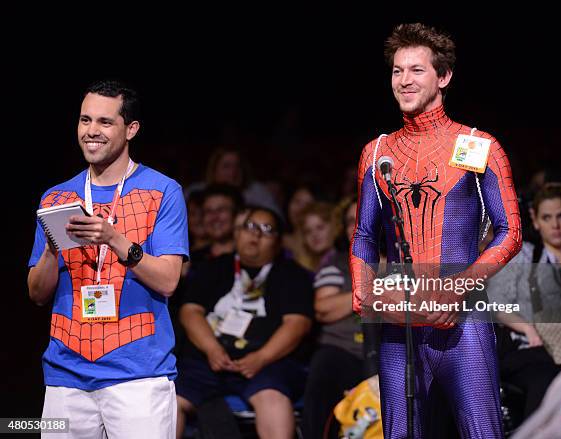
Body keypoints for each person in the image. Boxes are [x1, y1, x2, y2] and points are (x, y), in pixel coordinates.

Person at [349, 23, 522, 438]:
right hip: (399, 325)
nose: (404, 80)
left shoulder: (478, 145)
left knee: (483, 432)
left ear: (443, 77)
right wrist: (362, 288)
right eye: (397, 71)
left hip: (464, 323)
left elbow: (511, 231)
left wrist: (456, 289)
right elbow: (365, 236)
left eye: (417, 70)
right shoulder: (376, 152)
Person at [27, 80, 189, 438]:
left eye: (104, 122)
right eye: (85, 121)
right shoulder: (57, 197)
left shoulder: (164, 191)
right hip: (65, 376)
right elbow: (37, 293)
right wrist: (55, 247)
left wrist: (114, 239)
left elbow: (168, 281)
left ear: (131, 129)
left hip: (139, 376)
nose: (91, 132)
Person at [175, 206, 314, 439]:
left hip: (268, 361)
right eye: (250, 227)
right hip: (208, 358)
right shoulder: (214, 267)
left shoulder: (292, 274)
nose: (256, 235)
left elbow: (297, 324)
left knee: (273, 397)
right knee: (169, 401)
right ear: (237, 233)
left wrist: (262, 358)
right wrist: (212, 349)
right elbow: (190, 312)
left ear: (279, 242)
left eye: (266, 229)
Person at [488, 183, 561, 419]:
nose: (555, 225)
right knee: (548, 379)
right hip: (530, 349)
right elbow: (495, 303)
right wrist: (528, 328)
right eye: (547, 218)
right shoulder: (524, 256)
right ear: (536, 221)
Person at [301, 197, 379, 439]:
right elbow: (324, 308)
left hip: (393, 351)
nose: (356, 226)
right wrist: (374, 287)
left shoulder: (408, 261)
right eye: (349, 222)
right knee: (325, 368)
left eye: (363, 219)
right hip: (343, 349)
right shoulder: (336, 263)